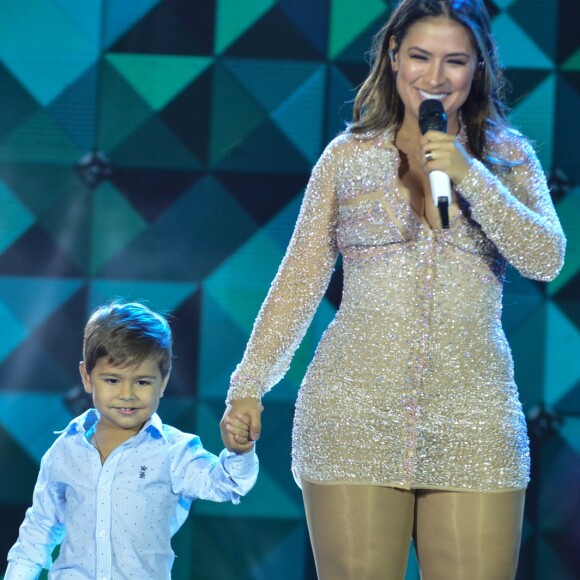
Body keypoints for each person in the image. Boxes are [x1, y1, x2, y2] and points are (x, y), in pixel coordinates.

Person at [221, 0, 566, 578]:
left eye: (455, 61)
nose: (435, 77)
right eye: (420, 57)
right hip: (353, 411)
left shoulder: (507, 158)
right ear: (393, 56)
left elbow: (546, 258)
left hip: (474, 417)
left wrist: (468, 174)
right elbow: (299, 280)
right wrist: (249, 384)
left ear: (478, 66)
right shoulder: (347, 158)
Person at [6, 301, 258, 579]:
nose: (127, 393)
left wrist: (238, 452)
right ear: (87, 377)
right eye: (112, 380)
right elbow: (39, 528)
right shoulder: (65, 450)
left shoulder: (174, 451)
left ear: (162, 382)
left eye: (142, 382)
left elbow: (226, 484)